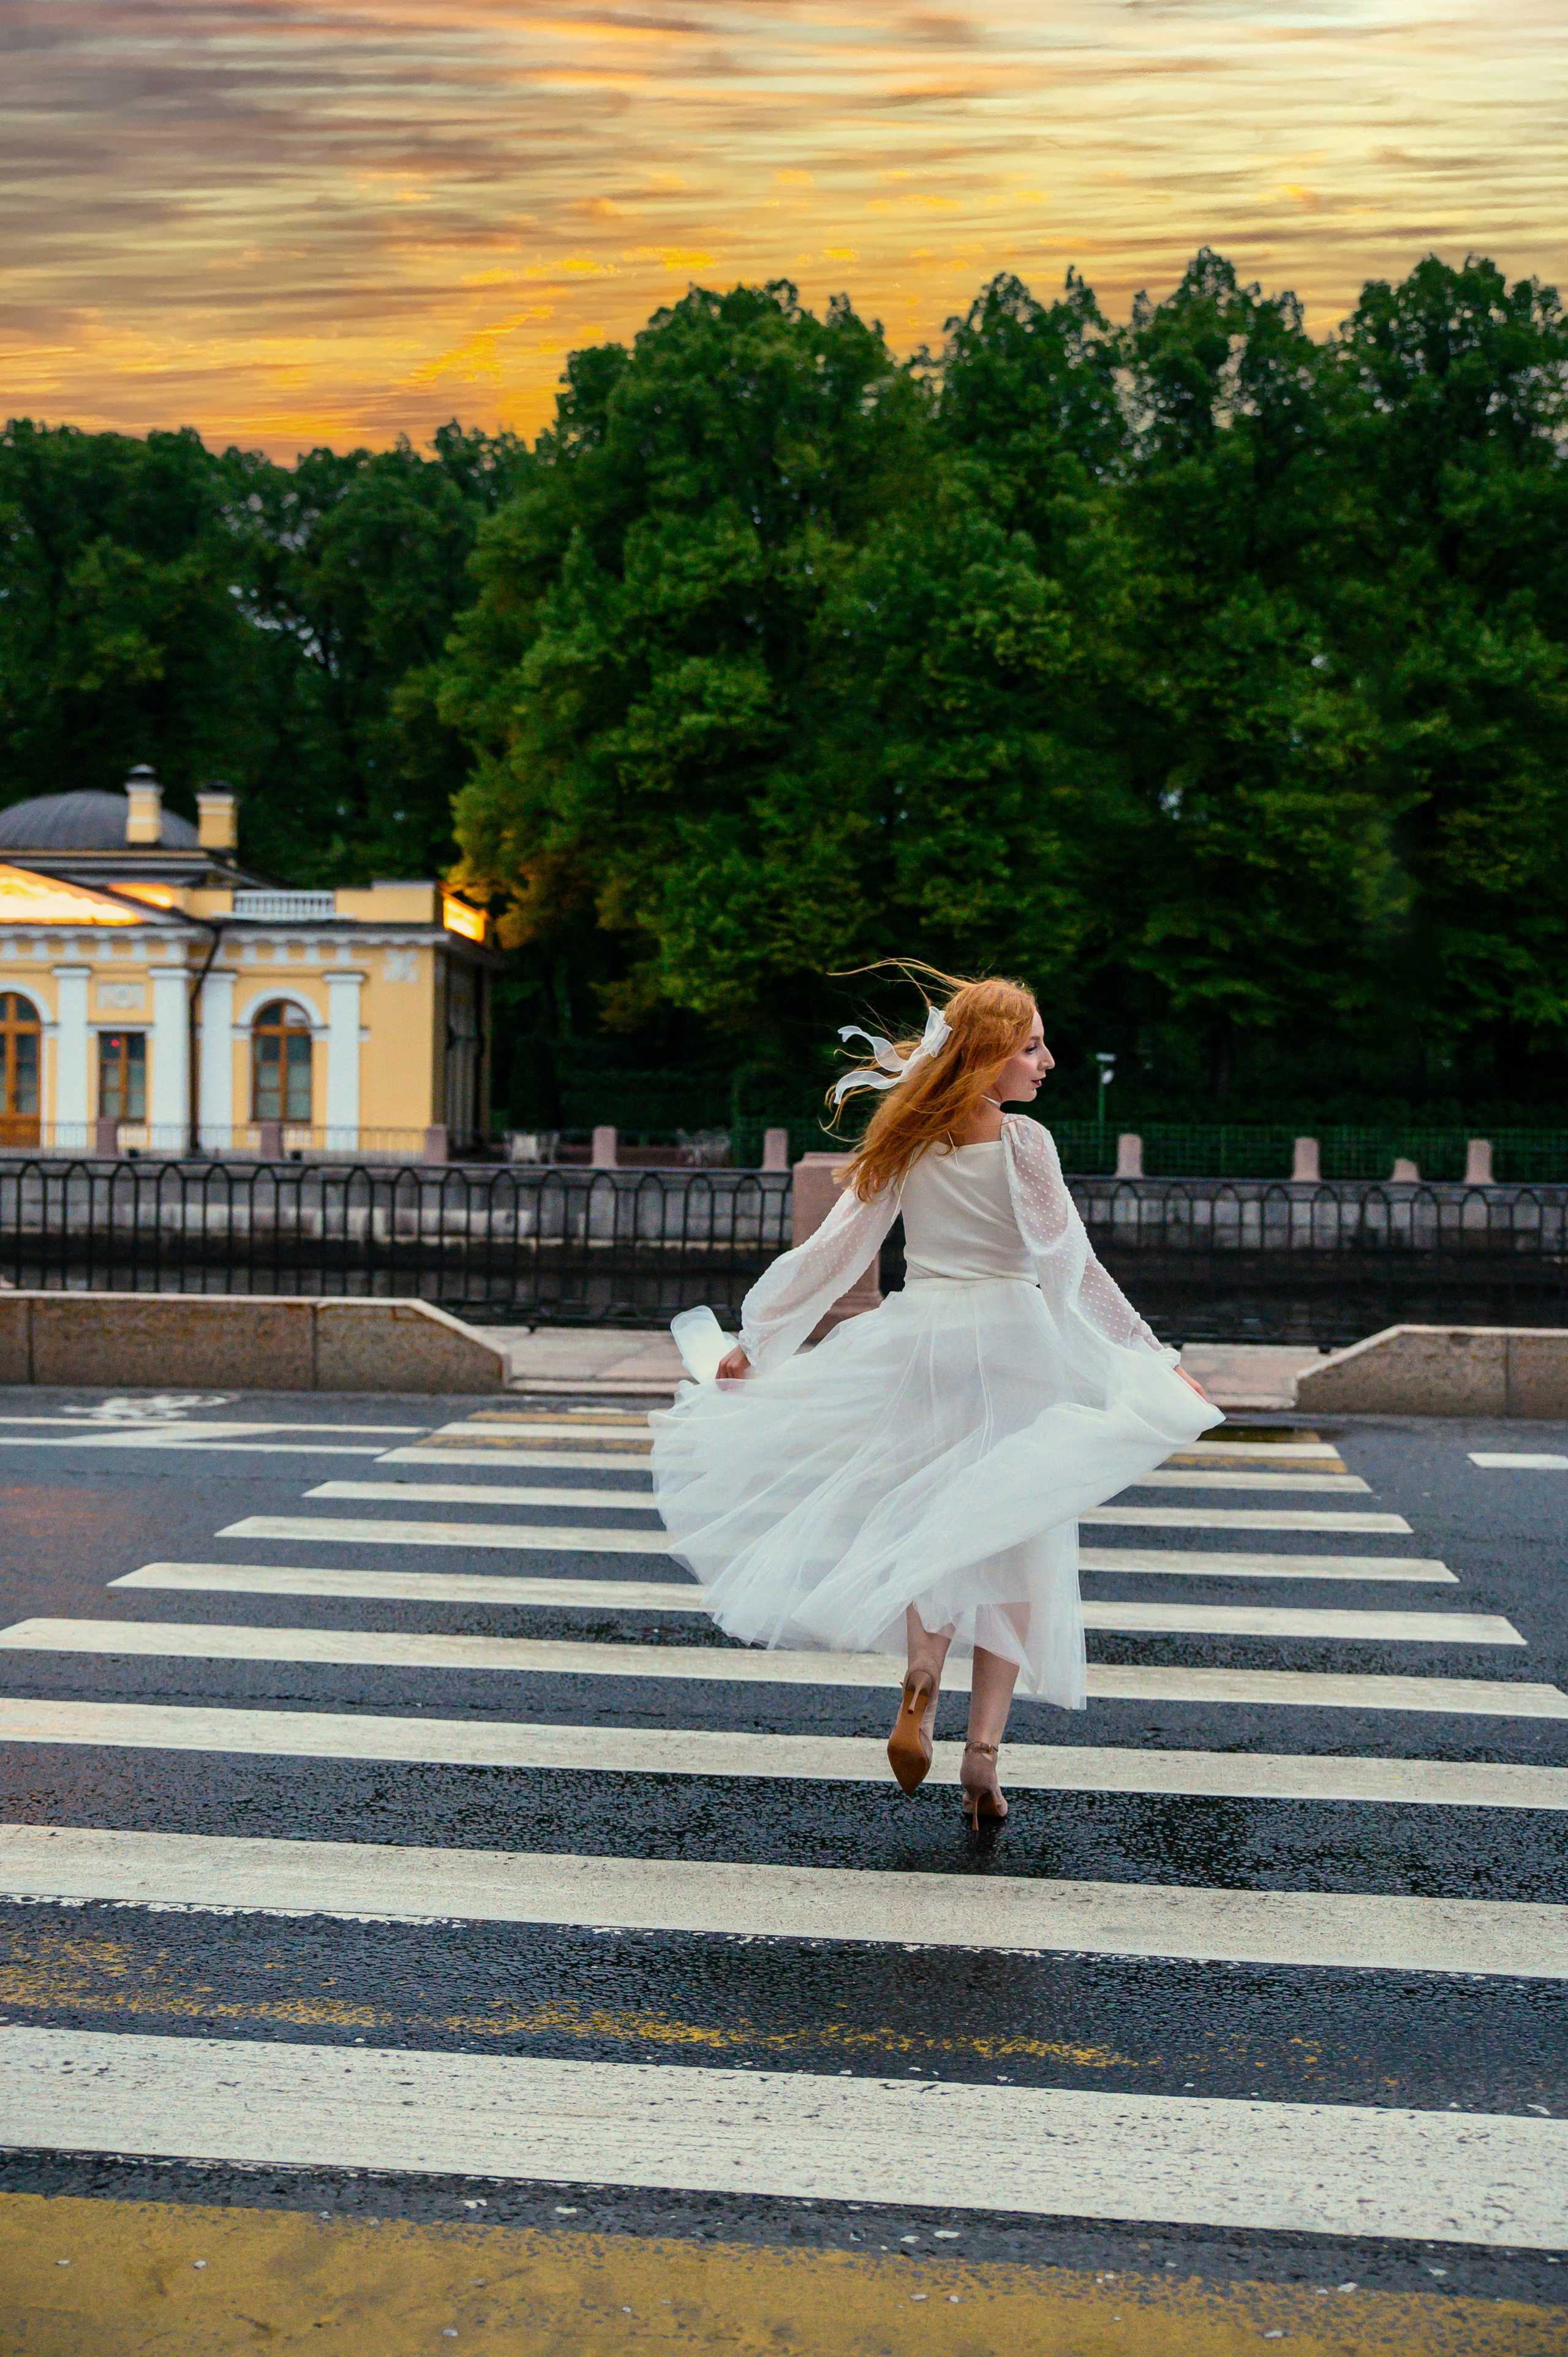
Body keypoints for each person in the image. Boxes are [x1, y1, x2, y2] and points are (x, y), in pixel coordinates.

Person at [650, 967, 1221, 1830]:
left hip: (924, 1345)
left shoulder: (908, 1135)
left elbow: (835, 1252)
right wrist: (1150, 1356)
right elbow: (1072, 1269)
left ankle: (922, 1673)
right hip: (1016, 1345)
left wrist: (758, 1340)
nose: (1047, 1063)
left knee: (929, 1517)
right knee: (1019, 1533)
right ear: (989, 1055)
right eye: (1032, 1048)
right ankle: (983, 1751)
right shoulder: (1025, 1143)